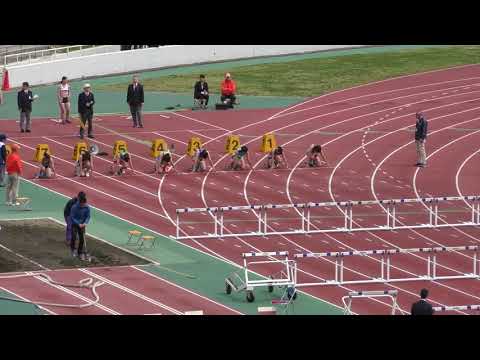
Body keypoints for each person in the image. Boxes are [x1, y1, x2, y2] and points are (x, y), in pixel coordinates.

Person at [70, 192, 91, 260]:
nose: (83, 205)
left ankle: (80, 252)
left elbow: (88, 216)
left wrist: (85, 223)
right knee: (73, 237)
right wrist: (78, 223)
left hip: (82, 225)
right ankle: (73, 250)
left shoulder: (87, 208)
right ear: (80, 202)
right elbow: (72, 217)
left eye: (84, 204)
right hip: (75, 224)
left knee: (82, 239)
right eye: (82, 204)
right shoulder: (74, 207)